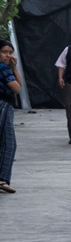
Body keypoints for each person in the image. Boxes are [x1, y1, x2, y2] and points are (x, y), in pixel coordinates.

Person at [0, 39, 22, 193]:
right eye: (4, 52)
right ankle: (2, 179)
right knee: (8, 143)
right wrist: (13, 69)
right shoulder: (3, 69)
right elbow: (17, 88)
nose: (8, 55)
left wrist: (14, 68)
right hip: (3, 105)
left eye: (10, 52)